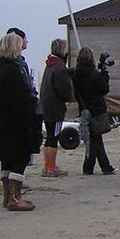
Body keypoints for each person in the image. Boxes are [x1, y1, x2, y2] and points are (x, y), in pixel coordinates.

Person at [0, 32, 42, 211]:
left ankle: (8, 196)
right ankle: (14, 197)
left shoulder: (1, 68)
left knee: (8, 159)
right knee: (19, 158)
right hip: (15, 123)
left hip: (3, 123)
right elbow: (18, 99)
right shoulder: (13, 70)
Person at [73, 46, 116, 175]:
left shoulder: (75, 74)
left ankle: (95, 166)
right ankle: (97, 167)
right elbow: (104, 89)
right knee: (95, 138)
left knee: (94, 138)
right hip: (96, 109)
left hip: (84, 108)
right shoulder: (94, 74)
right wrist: (105, 73)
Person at [39, 38, 74, 177]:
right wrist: (69, 97)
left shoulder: (50, 65)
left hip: (46, 107)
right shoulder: (59, 67)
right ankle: (51, 167)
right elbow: (63, 90)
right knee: (53, 137)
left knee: (49, 137)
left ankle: (48, 166)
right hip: (55, 108)